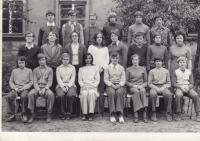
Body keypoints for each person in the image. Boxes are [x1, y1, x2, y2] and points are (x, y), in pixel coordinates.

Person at [168, 31, 192, 113]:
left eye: (180, 38)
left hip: (183, 69)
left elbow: (189, 61)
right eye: (177, 38)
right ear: (175, 39)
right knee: (173, 88)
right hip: (173, 69)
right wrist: (168, 70)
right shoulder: (171, 48)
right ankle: (172, 107)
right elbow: (169, 60)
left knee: (183, 86)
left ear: (183, 39)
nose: (179, 39)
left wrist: (189, 71)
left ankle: (181, 108)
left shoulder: (187, 49)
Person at [27, 53, 54, 123]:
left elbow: (50, 82)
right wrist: (38, 90)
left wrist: (45, 89)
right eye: (39, 60)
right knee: (30, 94)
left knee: (50, 94)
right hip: (37, 88)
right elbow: (34, 82)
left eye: (43, 59)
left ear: (46, 60)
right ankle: (32, 113)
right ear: (38, 61)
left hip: (46, 87)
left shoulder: (50, 70)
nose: (41, 61)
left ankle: (49, 113)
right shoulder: (35, 70)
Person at [172, 56, 200, 122]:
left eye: (183, 62)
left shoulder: (189, 71)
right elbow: (173, 83)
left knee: (195, 95)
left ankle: (198, 114)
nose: (182, 64)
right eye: (180, 62)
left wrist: (188, 87)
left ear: (186, 63)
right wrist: (180, 87)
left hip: (188, 88)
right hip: (179, 87)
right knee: (179, 95)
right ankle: (178, 113)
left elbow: (192, 83)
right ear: (178, 63)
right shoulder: (175, 72)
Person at [6, 56, 33, 123]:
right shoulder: (14, 71)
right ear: (17, 63)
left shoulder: (29, 71)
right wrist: (15, 88)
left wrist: (24, 88)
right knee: (9, 96)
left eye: (22, 63)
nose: (21, 64)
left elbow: (31, 82)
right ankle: (12, 114)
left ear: (25, 63)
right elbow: (11, 81)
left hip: (25, 88)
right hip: (16, 88)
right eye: (19, 63)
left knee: (23, 96)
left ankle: (24, 114)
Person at [88, 31, 109, 113]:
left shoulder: (105, 48)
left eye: (101, 37)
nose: (99, 39)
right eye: (97, 37)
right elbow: (89, 58)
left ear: (102, 39)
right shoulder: (91, 47)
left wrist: (103, 68)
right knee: (93, 88)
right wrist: (96, 68)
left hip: (103, 71)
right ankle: (93, 109)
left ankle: (101, 109)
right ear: (95, 39)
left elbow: (107, 59)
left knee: (101, 89)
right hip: (93, 70)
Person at [148, 57, 172, 122]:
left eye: (160, 61)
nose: (158, 63)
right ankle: (153, 112)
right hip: (154, 86)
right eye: (157, 61)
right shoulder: (151, 71)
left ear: (162, 63)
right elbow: (149, 83)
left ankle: (168, 112)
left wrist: (163, 87)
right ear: (155, 63)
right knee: (152, 94)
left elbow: (169, 83)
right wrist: (156, 88)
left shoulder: (166, 71)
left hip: (164, 86)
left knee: (168, 94)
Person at [104, 52, 126, 124]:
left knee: (119, 93)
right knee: (112, 93)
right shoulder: (107, 68)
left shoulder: (121, 68)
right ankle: (112, 114)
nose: (115, 60)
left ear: (118, 59)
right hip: (110, 85)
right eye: (113, 58)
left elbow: (123, 79)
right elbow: (106, 79)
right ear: (111, 59)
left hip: (120, 85)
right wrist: (111, 85)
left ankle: (120, 114)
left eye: (116, 58)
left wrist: (119, 85)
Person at [126, 54, 148, 123]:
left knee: (142, 91)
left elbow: (146, 81)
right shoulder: (128, 69)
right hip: (132, 87)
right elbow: (126, 81)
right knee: (136, 92)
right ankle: (136, 114)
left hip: (141, 86)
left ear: (138, 60)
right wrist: (133, 86)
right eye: (133, 60)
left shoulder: (143, 69)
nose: (135, 61)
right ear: (131, 61)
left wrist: (142, 86)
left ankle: (144, 113)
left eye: (136, 59)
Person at [78, 53, 100, 121]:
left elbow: (97, 79)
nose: (88, 60)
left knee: (91, 93)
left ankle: (91, 113)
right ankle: (84, 113)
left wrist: (93, 86)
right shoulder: (81, 69)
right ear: (84, 59)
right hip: (84, 86)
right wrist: (83, 86)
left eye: (89, 58)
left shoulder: (95, 67)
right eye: (86, 58)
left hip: (92, 86)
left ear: (91, 59)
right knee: (84, 94)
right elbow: (80, 80)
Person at [56, 53, 77, 120]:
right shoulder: (58, 68)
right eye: (64, 59)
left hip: (71, 85)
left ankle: (69, 112)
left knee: (70, 95)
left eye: (67, 59)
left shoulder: (72, 68)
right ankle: (62, 112)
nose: (65, 61)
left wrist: (68, 86)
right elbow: (58, 79)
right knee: (60, 95)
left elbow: (73, 78)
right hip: (60, 85)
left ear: (69, 60)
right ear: (61, 60)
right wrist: (63, 87)